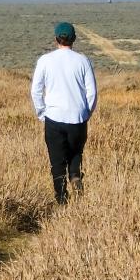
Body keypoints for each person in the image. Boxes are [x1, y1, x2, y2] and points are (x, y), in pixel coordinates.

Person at [30, 21, 96, 204]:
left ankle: (61, 198)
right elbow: (92, 92)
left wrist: (41, 113)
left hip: (54, 117)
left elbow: (36, 90)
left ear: (55, 39)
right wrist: (86, 112)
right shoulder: (83, 60)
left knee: (57, 161)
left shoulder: (45, 60)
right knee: (76, 153)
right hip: (78, 118)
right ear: (74, 39)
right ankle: (75, 177)